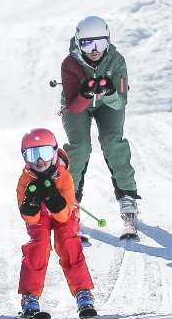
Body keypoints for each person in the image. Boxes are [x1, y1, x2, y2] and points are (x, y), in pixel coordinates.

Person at [60, 15, 140, 223]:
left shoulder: (116, 60)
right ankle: (70, 199)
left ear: (108, 41)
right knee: (79, 147)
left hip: (108, 104)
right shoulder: (70, 64)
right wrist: (85, 94)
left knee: (113, 141)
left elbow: (121, 102)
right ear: (78, 44)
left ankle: (127, 195)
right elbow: (73, 106)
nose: (94, 50)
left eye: (100, 42)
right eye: (87, 44)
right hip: (79, 104)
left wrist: (110, 92)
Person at [16, 128, 96, 318]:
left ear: (54, 153)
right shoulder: (25, 181)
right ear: (25, 158)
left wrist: (53, 198)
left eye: (44, 153)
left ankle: (83, 292)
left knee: (68, 242)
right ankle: (30, 297)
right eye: (33, 155)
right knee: (39, 245)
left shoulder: (64, 177)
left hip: (63, 214)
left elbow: (64, 216)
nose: (40, 161)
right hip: (40, 217)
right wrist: (31, 205)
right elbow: (29, 219)